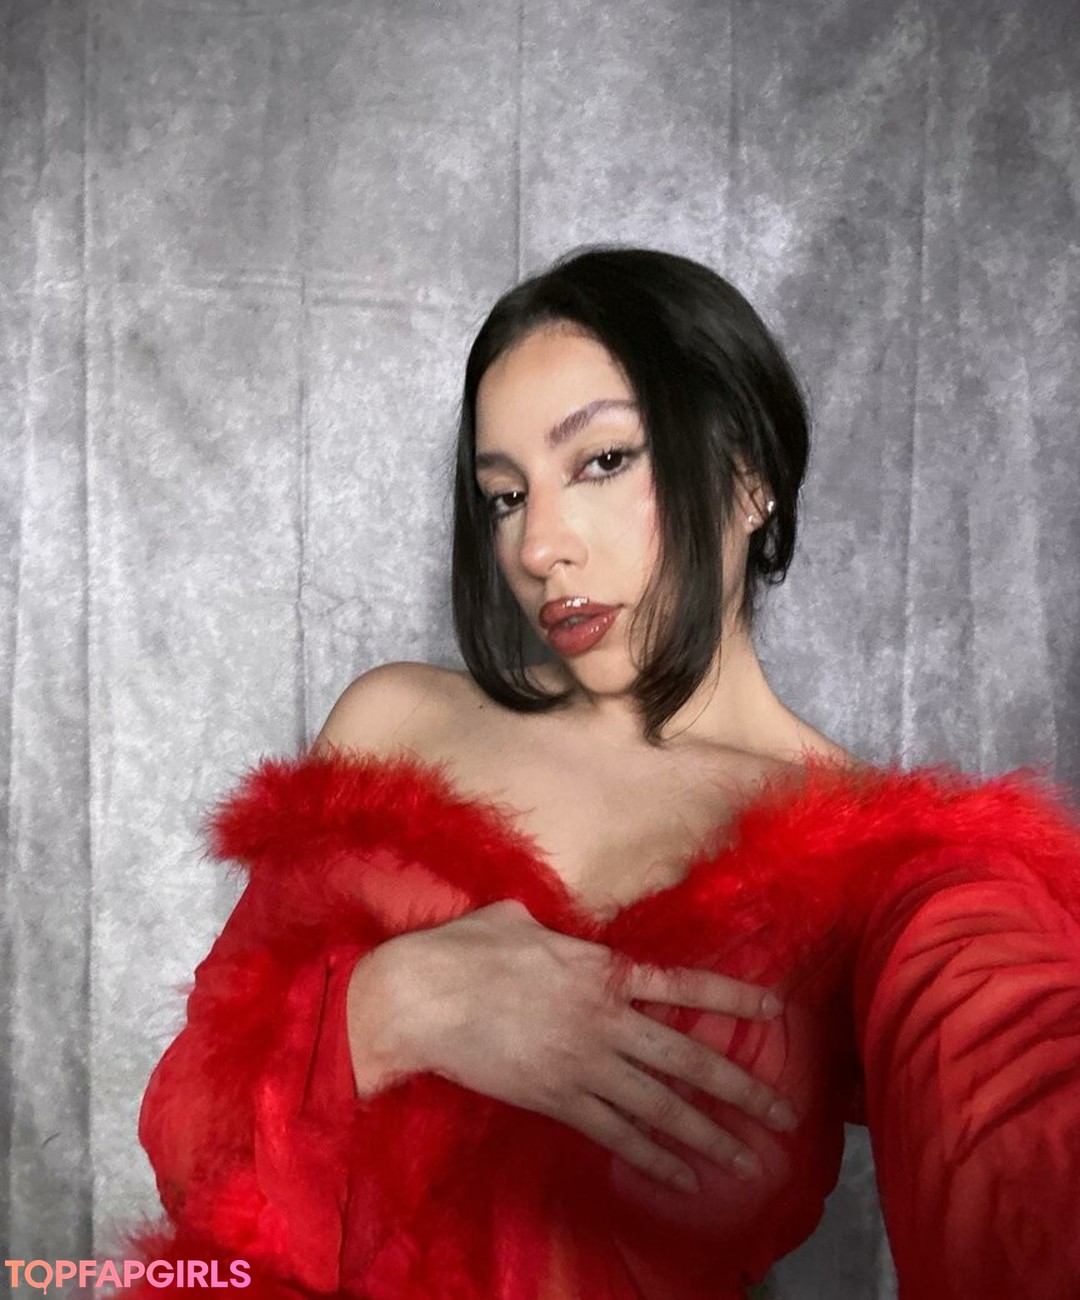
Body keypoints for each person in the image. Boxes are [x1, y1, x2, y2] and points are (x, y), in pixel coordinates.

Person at [124, 249, 1080, 1299]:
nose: (538, 547)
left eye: (603, 460)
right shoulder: (396, 724)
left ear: (749, 477)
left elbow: (1019, 1140)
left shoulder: (882, 851)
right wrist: (398, 1006)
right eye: (504, 496)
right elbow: (188, 1137)